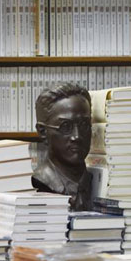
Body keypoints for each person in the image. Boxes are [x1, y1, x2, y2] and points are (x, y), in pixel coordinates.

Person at [32, 83, 94, 211]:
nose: (76, 136)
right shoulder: (42, 182)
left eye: (84, 125)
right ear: (43, 132)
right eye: (66, 127)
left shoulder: (98, 182)